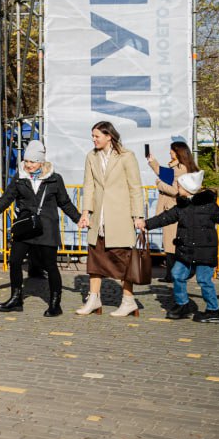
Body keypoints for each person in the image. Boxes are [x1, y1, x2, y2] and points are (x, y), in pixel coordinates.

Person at [0, 140, 81, 317]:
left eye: (32, 162)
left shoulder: (54, 179)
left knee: (50, 265)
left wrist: (79, 218)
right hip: (26, 227)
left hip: (46, 228)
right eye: (26, 161)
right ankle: (16, 299)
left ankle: (54, 303)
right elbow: (6, 199)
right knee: (14, 261)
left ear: (41, 162)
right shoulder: (20, 177)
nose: (28, 165)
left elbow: (65, 203)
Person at [142, 170, 219, 324]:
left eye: (179, 185)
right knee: (177, 274)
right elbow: (165, 218)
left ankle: (213, 310)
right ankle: (183, 305)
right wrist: (147, 224)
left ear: (187, 188)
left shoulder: (209, 206)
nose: (177, 187)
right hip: (185, 251)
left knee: (204, 280)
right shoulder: (181, 206)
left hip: (205, 251)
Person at [76, 121, 145, 317]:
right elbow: (88, 186)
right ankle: (93, 299)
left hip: (120, 217)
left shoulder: (126, 156)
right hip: (99, 218)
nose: (94, 139)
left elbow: (135, 187)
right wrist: (85, 213)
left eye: (97, 136)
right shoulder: (91, 156)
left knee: (124, 261)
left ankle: (128, 301)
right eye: (93, 136)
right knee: (95, 261)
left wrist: (138, 216)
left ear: (109, 136)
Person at [146, 140, 198, 283]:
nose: (170, 152)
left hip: (172, 208)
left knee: (171, 243)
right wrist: (152, 161)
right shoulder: (180, 167)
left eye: (172, 151)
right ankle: (171, 274)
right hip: (173, 208)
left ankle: (174, 274)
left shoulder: (181, 169)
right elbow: (164, 173)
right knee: (170, 243)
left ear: (178, 152)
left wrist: (159, 184)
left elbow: (175, 190)